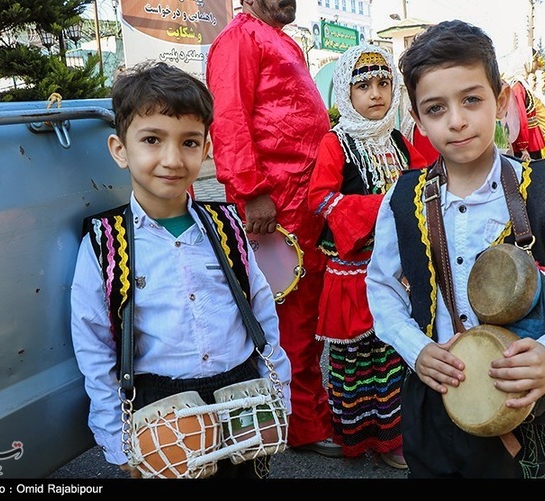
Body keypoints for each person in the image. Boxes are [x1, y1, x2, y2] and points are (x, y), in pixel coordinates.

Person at [365, 20, 545, 478]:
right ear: (418, 120)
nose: (457, 120)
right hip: (431, 403)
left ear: (500, 101)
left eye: (471, 100)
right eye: (436, 108)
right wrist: (415, 348)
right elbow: (381, 286)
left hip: (516, 410)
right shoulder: (402, 199)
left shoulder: (538, 189)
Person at [70, 61, 292, 479]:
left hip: (242, 394)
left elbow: (262, 311)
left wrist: (281, 393)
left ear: (206, 149)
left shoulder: (228, 227)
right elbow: (94, 346)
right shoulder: (104, 242)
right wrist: (119, 445)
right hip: (159, 410)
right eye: (152, 139)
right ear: (120, 149)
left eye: (189, 142)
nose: (172, 159)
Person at [206, 0, 339, 457]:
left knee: (309, 316)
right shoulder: (238, 39)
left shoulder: (279, 39)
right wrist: (251, 191)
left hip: (306, 203)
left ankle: (307, 414)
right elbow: (229, 120)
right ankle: (303, 425)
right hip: (276, 207)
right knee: (292, 320)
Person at [307, 44, 428, 470]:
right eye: (363, 86)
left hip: (396, 272)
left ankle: (393, 439)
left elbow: (419, 189)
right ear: (346, 92)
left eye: (383, 83)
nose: (375, 94)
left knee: (394, 356)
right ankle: (355, 437)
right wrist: (381, 208)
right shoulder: (334, 143)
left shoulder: (398, 140)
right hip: (353, 271)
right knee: (354, 361)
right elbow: (320, 199)